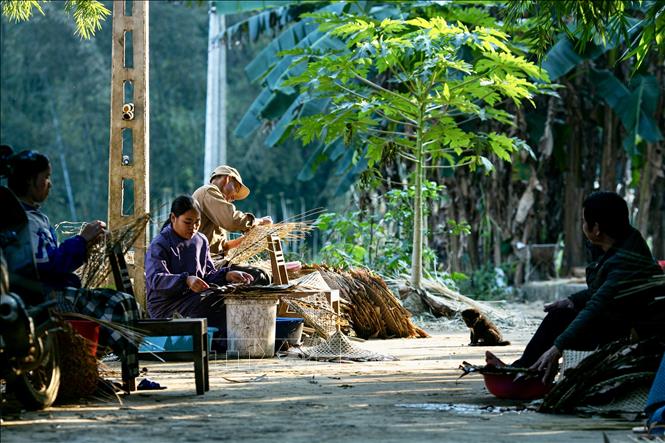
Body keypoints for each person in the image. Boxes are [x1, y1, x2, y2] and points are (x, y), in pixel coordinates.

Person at [487, 191, 664, 383]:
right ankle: (526, 367)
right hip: (620, 317)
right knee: (561, 313)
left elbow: (597, 306)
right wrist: (572, 300)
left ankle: (527, 371)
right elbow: (605, 290)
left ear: (596, 228)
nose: (582, 226)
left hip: (633, 333)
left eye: (583, 220)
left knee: (561, 319)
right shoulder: (622, 242)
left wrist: (557, 348)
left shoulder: (624, 260)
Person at [2, 149, 141, 379]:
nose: (50, 184)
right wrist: (82, 239)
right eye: (45, 177)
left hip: (46, 290)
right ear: (30, 181)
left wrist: (83, 245)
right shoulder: (24, 221)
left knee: (116, 301)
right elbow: (49, 266)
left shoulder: (34, 217)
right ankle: (123, 373)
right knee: (119, 302)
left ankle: (90, 370)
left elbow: (51, 259)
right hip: (43, 296)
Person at [145, 195, 254, 345]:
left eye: (197, 222)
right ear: (173, 218)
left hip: (194, 298)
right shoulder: (159, 244)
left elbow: (208, 274)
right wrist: (186, 280)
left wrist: (227, 275)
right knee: (212, 300)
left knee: (228, 295)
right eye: (187, 222)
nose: (193, 227)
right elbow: (155, 279)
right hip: (166, 306)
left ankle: (226, 343)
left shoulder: (201, 240)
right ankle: (217, 343)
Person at [192, 165, 272, 283]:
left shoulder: (215, 204)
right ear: (227, 179)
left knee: (265, 274)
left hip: (215, 261)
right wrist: (259, 221)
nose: (234, 197)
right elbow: (232, 221)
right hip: (206, 264)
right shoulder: (208, 191)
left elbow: (223, 246)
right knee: (260, 276)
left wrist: (247, 238)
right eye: (236, 188)